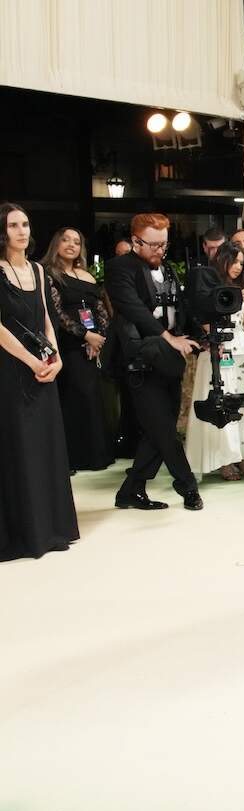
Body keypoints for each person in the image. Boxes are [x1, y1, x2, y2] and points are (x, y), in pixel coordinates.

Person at [105, 213, 204, 511]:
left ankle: (130, 491)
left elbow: (179, 308)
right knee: (163, 431)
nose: (160, 250)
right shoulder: (120, 268)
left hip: (169, 361)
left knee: (156, 431)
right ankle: (187, 487)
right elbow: (133, 308)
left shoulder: (168, 271)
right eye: (153, 245)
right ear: (136, 241)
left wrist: (199, 336)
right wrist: (167, 337)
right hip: (140, 362)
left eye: (164, 244)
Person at [0, 203, 79, 561]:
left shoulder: (36, 269)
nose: (21, 231)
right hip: (11, 370)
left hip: (44, 368)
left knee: (46, 446)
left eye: (26, 224)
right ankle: (25, 532)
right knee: (20, 447)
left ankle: (51, 527)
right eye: (13, 225)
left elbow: (47, 317)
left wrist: (56, 357)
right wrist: (32, 360)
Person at [184, 242, 244, 481]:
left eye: (241, 262)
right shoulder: (209, 288)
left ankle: (242, 453)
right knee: (221, 403)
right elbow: (207, 322)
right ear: (222, 260)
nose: (238, 267)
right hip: (220, 350)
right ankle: (222, 459)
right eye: (234, 261)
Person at [41, 226, 115, 471]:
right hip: (68, 342)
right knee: (73, 396)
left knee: (94, 396)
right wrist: (86, 335)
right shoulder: (48, 273)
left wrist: (99, 338)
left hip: (93, 344)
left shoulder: (87, 275)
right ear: (56, 244)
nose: (71, 245)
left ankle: (96, 455)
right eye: (66, 240)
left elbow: (100, 309)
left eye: (77, 241)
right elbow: (56, 312)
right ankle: (72, 458)